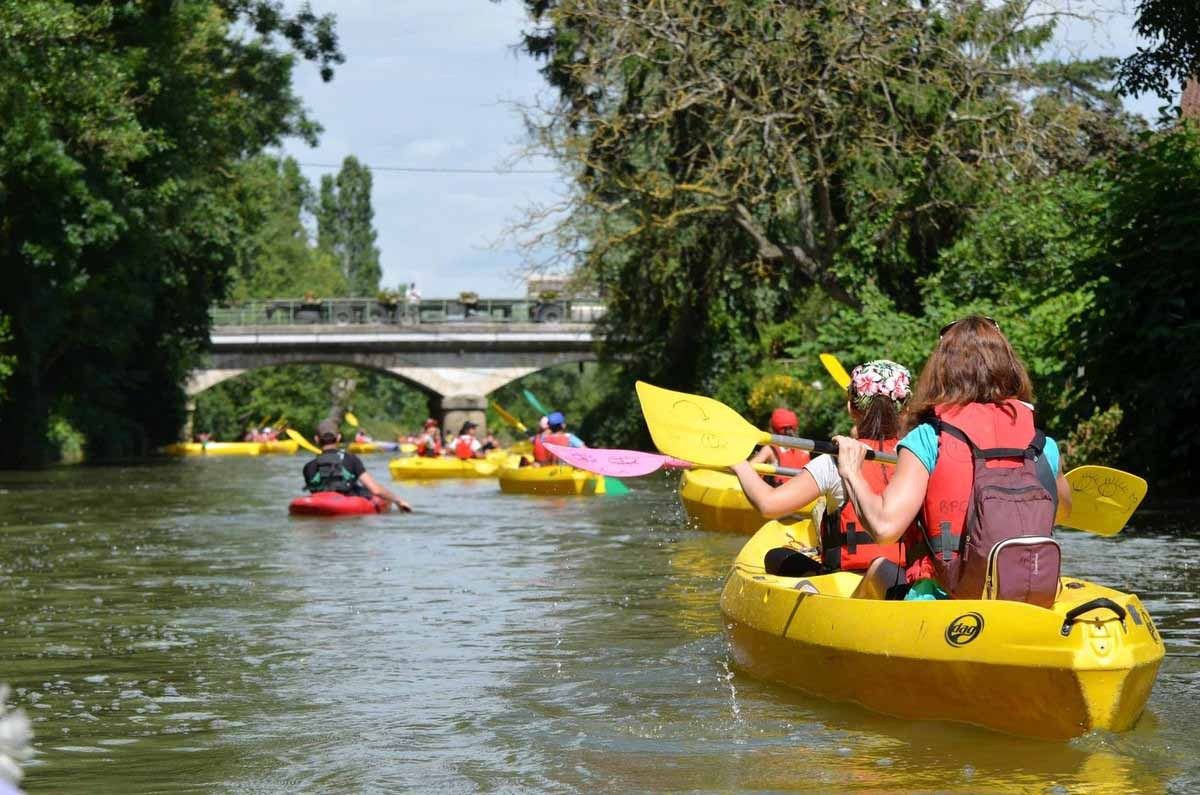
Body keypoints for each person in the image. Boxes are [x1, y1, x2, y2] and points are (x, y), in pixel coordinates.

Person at [833, 316, 1072, 600]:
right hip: (1029, 597)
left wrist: (850, 470)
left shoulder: (928, 438)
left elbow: (884, 528)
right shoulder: (1041, 443)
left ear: (942, 370)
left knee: (881, 568)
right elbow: (1064, 511)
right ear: (1008, 366)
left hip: (946, 601)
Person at [731, 360, 914, 576]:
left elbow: (768, 504)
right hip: (905, 577)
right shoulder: (917, 460)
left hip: (846, 579)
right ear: (906, 411)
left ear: (851, 408)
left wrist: (737, 463)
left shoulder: (835, 461)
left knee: (776, 556)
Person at [303, 419, 412, 511]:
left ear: (316, 439)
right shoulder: (351, 459)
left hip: (319, 505)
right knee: (367, 490)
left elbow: (316, 492)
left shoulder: (308, 467)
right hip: (347, 504)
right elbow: (376, 490)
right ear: (339, 437)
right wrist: (398, 500)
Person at [750, 408, 811, 484]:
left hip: (778, 493)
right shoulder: (805, 448)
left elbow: (748, 469)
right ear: (795, 427)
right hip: (804, 493)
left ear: (772, 428)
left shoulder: (769, 449)